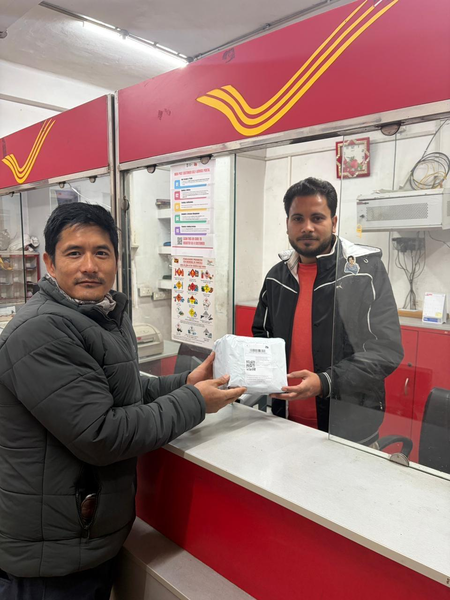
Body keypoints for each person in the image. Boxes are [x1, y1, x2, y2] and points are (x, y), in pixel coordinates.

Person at [0, 203, 245, 599]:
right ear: (49, 263)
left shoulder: (102, 316)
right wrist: (194, 402)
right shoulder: (42, 330)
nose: (89, 266)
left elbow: (123, 396)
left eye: (101, 252)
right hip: (51, 561)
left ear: (117, 260)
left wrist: (186, 382)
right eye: (74, 253)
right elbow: (101, 434)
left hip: (81, 543)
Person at [252, 177, 403, 445]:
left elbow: (386, 350)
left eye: (317, 218)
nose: (307, 227)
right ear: (287, 224)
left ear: (333, 222)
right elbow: (262, 337)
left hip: (350, 430)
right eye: (298, 218)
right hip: (285, 421)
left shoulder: (365, 273)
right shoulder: (276, 277)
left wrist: (325, 382)